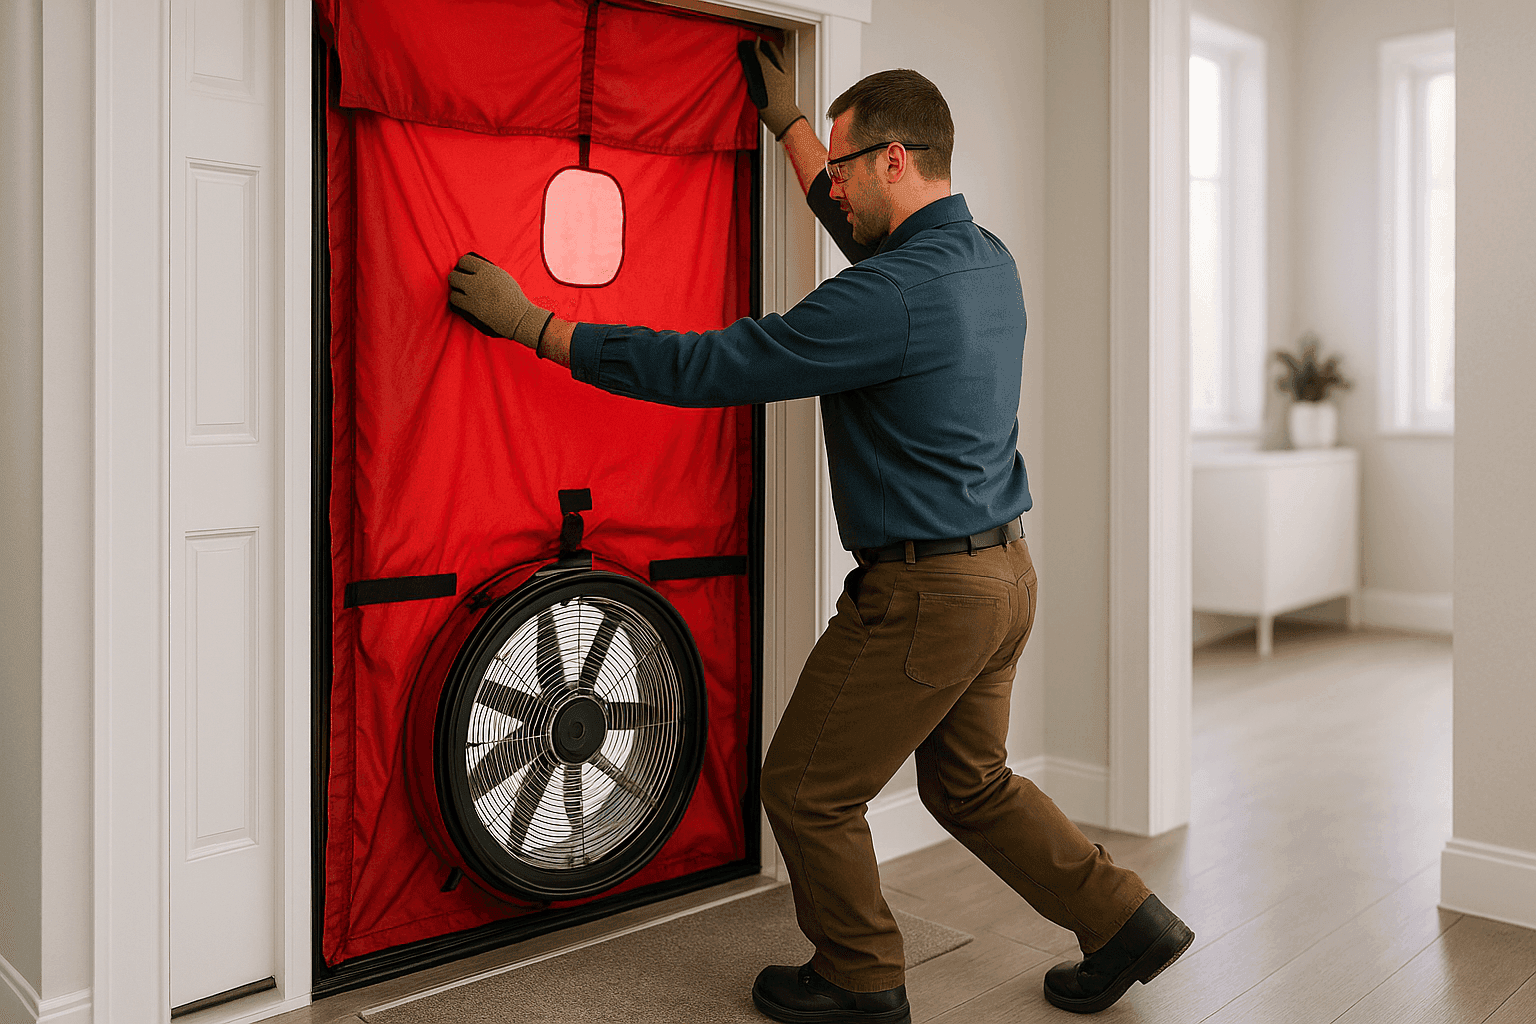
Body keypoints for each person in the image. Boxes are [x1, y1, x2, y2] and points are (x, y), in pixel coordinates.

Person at [446, 43, 1192, 1023]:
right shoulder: (984, 259)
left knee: (804, 789)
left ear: (894, 159)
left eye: (842, 167)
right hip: (1004, 577)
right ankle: (1125, 918)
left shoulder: (884, 297)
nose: (831, 186)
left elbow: (716, 365)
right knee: (970, 784)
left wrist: (540, 327)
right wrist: (793, 127)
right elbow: (862, 238)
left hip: (925, 597)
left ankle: (860, 976)